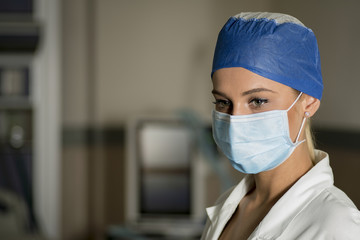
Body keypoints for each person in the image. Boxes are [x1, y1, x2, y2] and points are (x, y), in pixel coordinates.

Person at [201, 12, 360, 240]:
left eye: (257, 101)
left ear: (309, 102)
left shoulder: (337, 226)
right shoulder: (227, 206)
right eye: (223, 102)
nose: (236, 119)